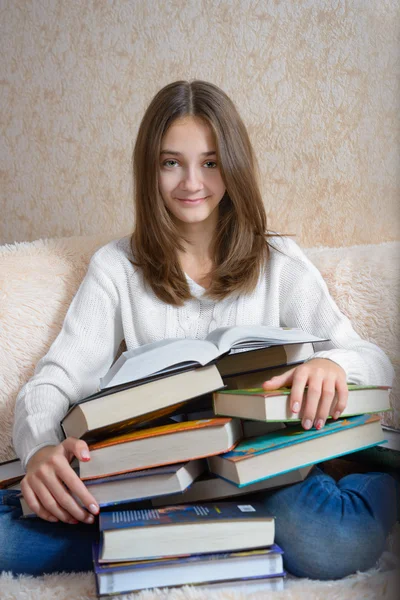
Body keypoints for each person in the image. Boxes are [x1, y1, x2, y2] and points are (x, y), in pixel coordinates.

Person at [1, 80, 398, 579]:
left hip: (265, 474)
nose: (192, 182)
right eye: (172, 162)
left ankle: (372, 490)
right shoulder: (116, 267)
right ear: (150, 170)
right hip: (157, 477)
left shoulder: (278, 262)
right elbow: (53, 380)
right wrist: (39, 451)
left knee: (332, 544)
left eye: (210, 162)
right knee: (6, 538)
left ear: (233, 165)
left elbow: (373, 358)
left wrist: (330, 365)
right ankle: (218, 539)